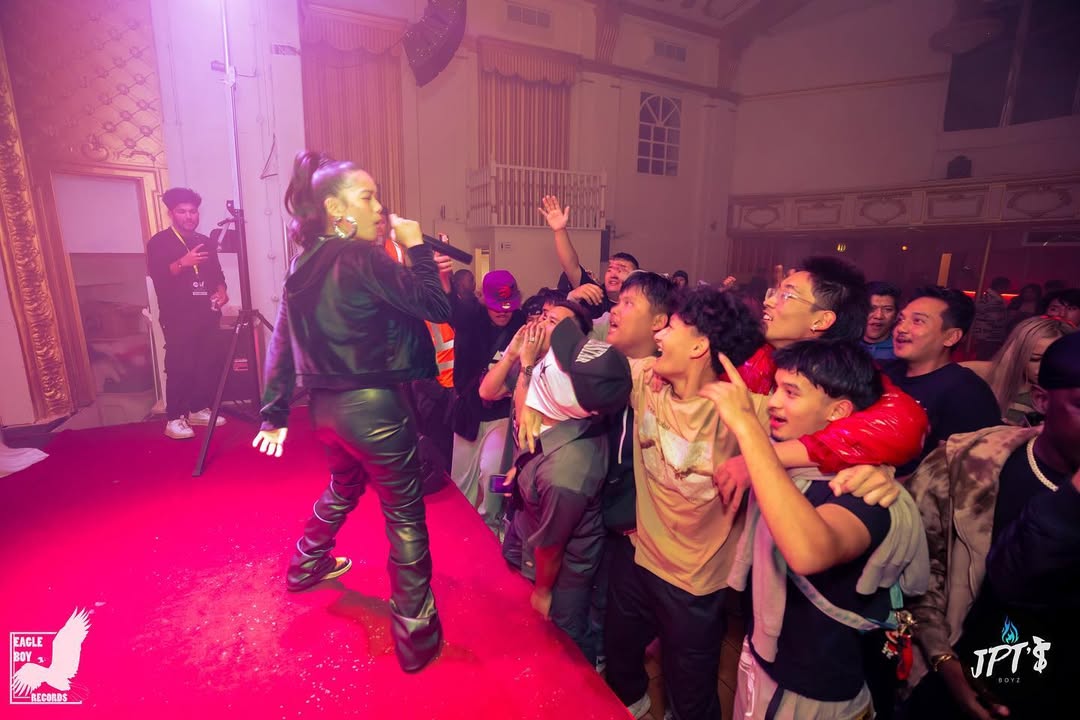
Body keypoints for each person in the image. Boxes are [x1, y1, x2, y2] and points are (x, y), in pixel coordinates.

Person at [253, 151, 450, 673]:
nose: (379, 207)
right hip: (376, 408)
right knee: (404, 514)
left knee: (344, 486)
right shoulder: (363, 257)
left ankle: (306, 563)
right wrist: (418, 249)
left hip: (324, 412)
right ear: (336, 208)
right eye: (368, 197)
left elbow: (280, 343)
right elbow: (437, 306)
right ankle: (416, 635)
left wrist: (274, 413)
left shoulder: (301, 265)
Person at [701, 341, 928, 720]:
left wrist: (746, 426)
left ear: (839, 411)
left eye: (791, 393)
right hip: (767, 658)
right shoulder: (793, 462)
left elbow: (808, 552)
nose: (774, 402)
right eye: (775, 388)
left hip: (814, 689)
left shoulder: (864, 492)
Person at [901, 331, 1080, 720]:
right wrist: (945, 663)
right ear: (1042, 400)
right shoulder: (963, 465)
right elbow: (916, 578)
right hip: (966, 679)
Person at [501, 302, 631, 664]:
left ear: (577, 402)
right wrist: (522, 469)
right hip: (531, 527)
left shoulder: (568, 474)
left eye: (559, 365)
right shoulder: (557, 417)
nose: (547, 364)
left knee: (564, 638)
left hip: (559, 570)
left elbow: (551, 547)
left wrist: (543, 591)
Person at [884, 287, 1001, 476]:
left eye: (918, 321)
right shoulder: (886, 373)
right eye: (901, 319)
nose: (901, 329)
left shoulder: (966, 391)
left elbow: (957, 473)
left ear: (951, 337)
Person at [146, 187, 228, 439]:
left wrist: (222, 292)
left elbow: (217, 274)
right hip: (178, 315)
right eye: (182, 211)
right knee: (180, 365)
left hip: (207, 312)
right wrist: (183, 263)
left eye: (193, 211)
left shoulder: (205, 241)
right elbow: (159, 275)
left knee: (206, 363)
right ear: (171, 214)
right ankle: (174, 418)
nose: (189, 216)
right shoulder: (159, 241)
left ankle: (197, 409)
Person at [448, 269, 526, 532]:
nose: (503, 312)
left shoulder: (522, 322)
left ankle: (492, 524)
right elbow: (451, 307)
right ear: (484, 300)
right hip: (469, 411)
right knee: (462, 479)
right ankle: (461, 530)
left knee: (494, 471)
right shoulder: (470, 318)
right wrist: (442, 277)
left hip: (503, 412)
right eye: (496, 306)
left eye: (508, 306)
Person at [961, 315, 1076, 426]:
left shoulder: (1069, 399)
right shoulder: (976, 375)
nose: (1043, 369)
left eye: (1054, 360)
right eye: (1034, 359)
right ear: (1018, 355)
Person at [539, 194, 638, 319]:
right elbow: (571, 267)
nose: (613, 273)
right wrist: (560, 230)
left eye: (621, 269)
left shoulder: (640, 306)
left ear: (636, 277)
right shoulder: (595, 296)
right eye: (610, 269)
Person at [970, 276, 1010, 360]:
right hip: (989, 333)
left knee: (982, 356)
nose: (1008, 289)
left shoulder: (988, 297)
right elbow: (995, 319)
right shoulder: (993, 299)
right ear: (1000, 286)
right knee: (985, 357)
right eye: (1007, 286)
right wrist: (1006, 322)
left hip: (984, 332)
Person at [862, 281, 900, 361]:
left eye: (888, 309)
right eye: (871, 309)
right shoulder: (845, 345)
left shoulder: (901, 351)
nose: (878, 316)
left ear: (896, 316)